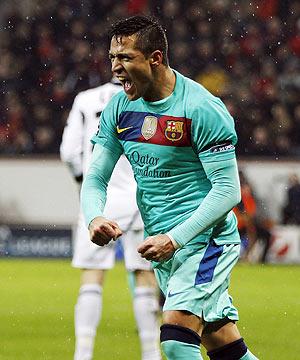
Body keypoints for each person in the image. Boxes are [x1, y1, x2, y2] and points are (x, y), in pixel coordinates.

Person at [81, 15, 258, 360]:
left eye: (126, 58)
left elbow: (227, 191)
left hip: (206, 242)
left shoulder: (200, 108)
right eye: (112, 58)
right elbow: (96, 175)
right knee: (223, 344)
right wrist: (94, 217)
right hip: (161, 246)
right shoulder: (120, 106)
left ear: (155, 58)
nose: (116, 67)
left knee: (176, 339)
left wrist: (175, 239)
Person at [60, 79, 161, 360]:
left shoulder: (86, 99)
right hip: (141, 198)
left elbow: (69, 152)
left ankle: (83, 354)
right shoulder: (149, 97)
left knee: (92, 277)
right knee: (143, 276)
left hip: (98, 200)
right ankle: (151, 354)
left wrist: (84, 180)